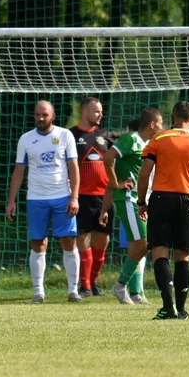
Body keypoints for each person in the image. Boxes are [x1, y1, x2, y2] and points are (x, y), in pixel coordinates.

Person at [135, 101, 189, 320]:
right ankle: (182, 309)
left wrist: (142, 201)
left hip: (160, 198)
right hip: (188, 200)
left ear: (173, 117)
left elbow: (144, 174)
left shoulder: (159, 138)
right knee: (183, 256)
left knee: (159, 251)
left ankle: (168, 307)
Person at [6, 100, 82, 303]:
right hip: (36, 199)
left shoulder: (65, 135)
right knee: (38, 244)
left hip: (62, 197)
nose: (40, 118)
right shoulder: (25, 139)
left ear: (53, 115)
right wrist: (11, 200)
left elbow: (74, 168)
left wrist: (74, 197)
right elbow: (19, 171)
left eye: (44, 115)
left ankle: (73, 291)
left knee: (68, 241)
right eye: (37, 114)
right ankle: (38, 292)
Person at [102, 107, 163, 305]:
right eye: (160, 123)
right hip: (128, 199)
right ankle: (120, 286)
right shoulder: (131, 139)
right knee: (143, 245)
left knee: (139, 246)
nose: (162, 127)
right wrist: (115, 184)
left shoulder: (150, 144)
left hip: (142, 200)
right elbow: (108, 157)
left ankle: (136, 293)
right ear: (152, 124)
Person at [70, 97, 114, 297]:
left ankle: (93, 283)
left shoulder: (105, 135)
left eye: (101, 111)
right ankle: (85, 286)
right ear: (85, 112)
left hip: (104, 197)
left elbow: (118, 160)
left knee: (102, 241)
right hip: (81, 197)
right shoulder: (71, 135)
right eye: (96, 111)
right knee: (82, 239)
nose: (100, 115)